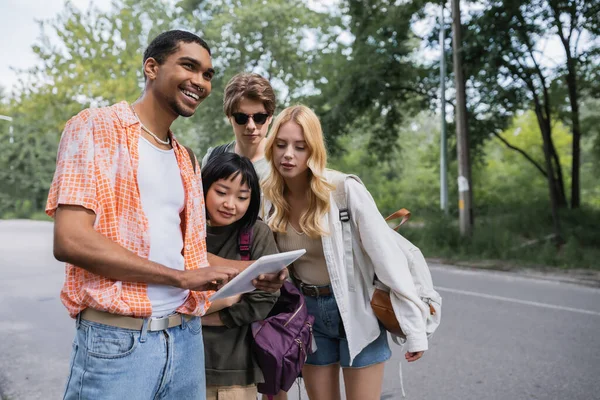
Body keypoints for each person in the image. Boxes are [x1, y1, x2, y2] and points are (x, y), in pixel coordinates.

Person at [46, 30, 284, 400]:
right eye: (189, 66)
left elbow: (187, 255)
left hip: (185, 339)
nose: (201, 82)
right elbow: (71, 240)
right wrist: (181, 277)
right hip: (118, 342)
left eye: (207, 74)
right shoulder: (95, 127)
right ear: (152, 67)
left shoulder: (186, 159)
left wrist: (254, 272)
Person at [262, 105, 429, 400]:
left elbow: (389, 259)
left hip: (357, 309)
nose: (288, 154)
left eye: (300, 147)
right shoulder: (270, 198)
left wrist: (415, 330)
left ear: (313, 150)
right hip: (309, 315)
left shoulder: (343, 190)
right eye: (281, 144)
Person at [200, 152, 280, 400]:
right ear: (202, 188)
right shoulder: (184, 231)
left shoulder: (256, 233)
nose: (230, 204)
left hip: (234, 373)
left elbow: (263, 299)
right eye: (221, 192)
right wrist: (232, 296)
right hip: (178, 365)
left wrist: (197, 318)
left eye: (242, 197)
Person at [201, 72, 275, 181]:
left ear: (270, 117)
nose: (251, 126)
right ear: (229, 118)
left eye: (259, 117)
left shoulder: (283, 163)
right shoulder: (212, 159)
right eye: (241, 118)